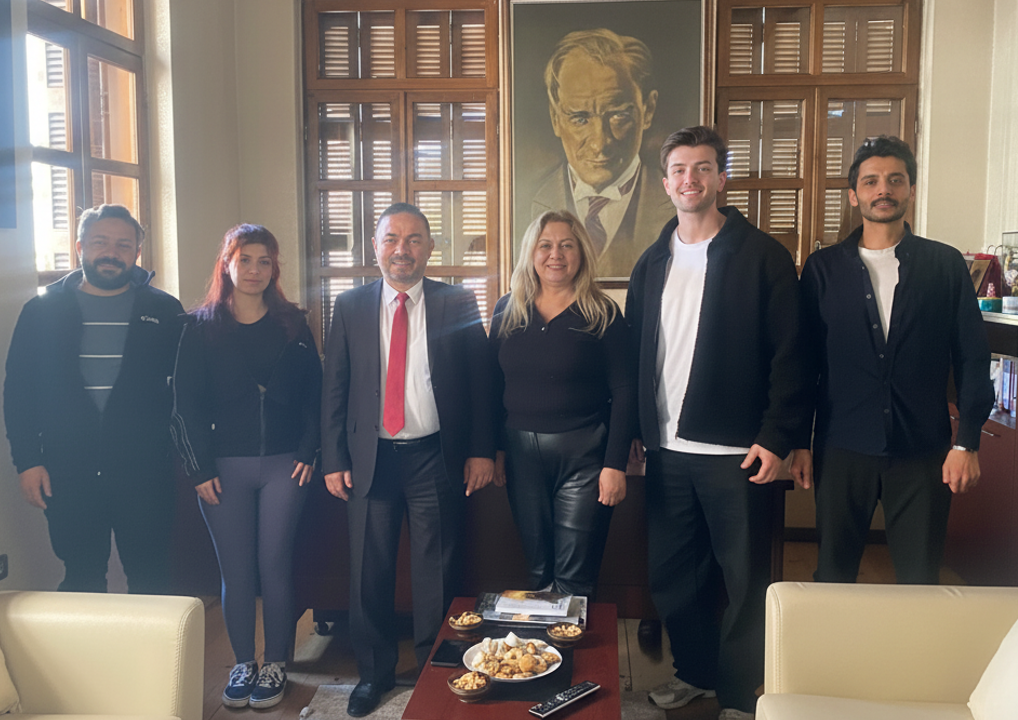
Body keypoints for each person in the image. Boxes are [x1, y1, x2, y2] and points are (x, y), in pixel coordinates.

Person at [625, 126, 810, 720]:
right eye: (680, 170)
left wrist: (778, 436)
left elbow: (792, 355)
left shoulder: (763, 256)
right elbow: (636, 357)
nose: (691, 179)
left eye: (703, 168)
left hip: (739, 453)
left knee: (744, 581)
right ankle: (696, 673)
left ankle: (737, 692)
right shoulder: (652, 261)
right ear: (665, 183)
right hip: (666, 451)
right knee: (672, 578)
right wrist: (635, 433)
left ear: (721, 179)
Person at [319, 203, 496, 718]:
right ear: (375, 247)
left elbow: (482, 383)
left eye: (414, 239)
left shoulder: (457, 301)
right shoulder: (350, 305)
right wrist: (333, 456)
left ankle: (433, 674)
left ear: (430, 248)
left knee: (436, 573)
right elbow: (335, 387)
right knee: (368, 573)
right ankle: (373, 675)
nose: (403, 249)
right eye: (392, 239)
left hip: (433, 456)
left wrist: (481, 450)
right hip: (369, 458)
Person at [798, 135, 993, 585]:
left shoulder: (945, 265)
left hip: (922, 450)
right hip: (841, 447)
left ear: (911, 190)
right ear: (854, 195)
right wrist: (798, 440)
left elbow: (972, 356)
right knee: (833, 576)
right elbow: (804, 363)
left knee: (920, 579)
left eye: (895, 180)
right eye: (871, 181)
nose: (883, 189)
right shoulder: (822, 269)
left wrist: (966, 443)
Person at [170, 224, 321, 709]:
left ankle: (275, 662)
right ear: (227, 265)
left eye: (264, 261)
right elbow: (184, 406)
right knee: (235, 571)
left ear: (274, 268)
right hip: (222, 469)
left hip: (285, 465)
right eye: (245, 260)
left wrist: (309, 450)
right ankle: (242, 662)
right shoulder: (199, 327)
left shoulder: (293, 324)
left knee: (274, 564)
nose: (255, 270)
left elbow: (316, 395)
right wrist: (198, 469)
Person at [3, 204, 183, 594]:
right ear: (80, 246)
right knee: (81, 576)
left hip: (145, 472)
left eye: (123, 245)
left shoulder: (165, 310)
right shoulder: (41, 311)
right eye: (101, 242)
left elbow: (186, 391)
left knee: (151, 576)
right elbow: (19, 391)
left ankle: (150, 639)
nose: (111, 253)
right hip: (68, 471)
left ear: (137, 252)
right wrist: (27, 461)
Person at [490, 210, 637, 598]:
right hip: (521, 458)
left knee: (574, 575)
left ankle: (571, 641)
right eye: (545, 245)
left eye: (566, 245)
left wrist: (614, 464)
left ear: (581, 253)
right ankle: (543, 641)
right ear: (531, 253)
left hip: (585, 458)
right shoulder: (507, 309)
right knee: (538, 571)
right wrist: (496, 450)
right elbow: (492, 386)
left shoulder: (602, 312)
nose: (555, 254)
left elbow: (625, 390)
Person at [531, 28, 674, 278]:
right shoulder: (532, 200)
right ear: (555, 118)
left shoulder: (675, 208)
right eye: (579, 118)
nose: (600, 143)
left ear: (648, 109)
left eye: (618, 115)